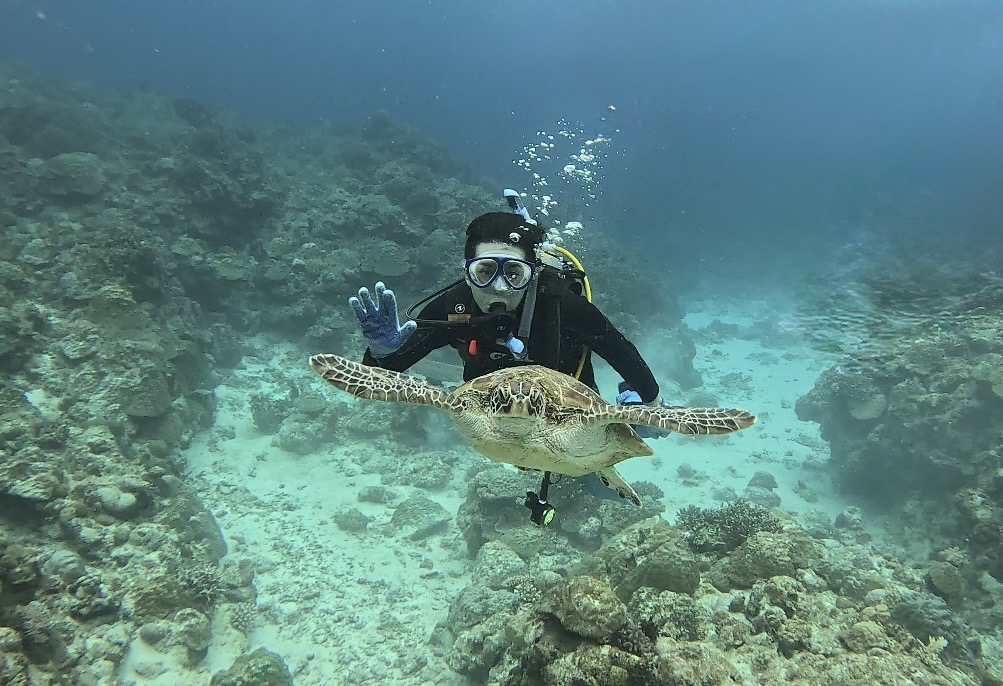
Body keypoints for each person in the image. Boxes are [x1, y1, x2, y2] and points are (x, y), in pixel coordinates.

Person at [348, 210, 666, 513]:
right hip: (493, 419)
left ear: (532, 274)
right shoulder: (456, 307)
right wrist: (381, 352)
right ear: (467, 274)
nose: (499, 287)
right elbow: (376, 379)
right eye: (485, 272)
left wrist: (653, 403)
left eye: (514, 273)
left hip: (573, 421)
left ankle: (629, 431)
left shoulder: (561, 306)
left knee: (602, 470)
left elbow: (620, 350)